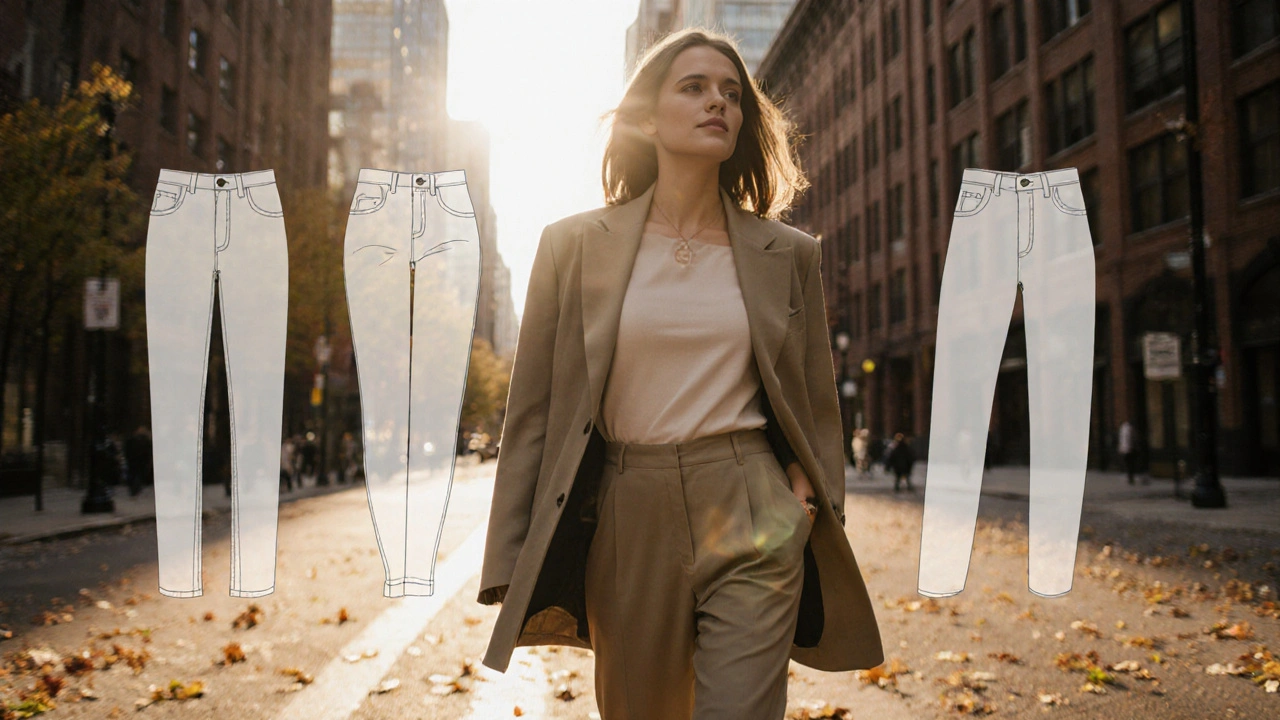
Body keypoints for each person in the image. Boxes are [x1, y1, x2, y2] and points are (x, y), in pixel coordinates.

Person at [475, 28, 883, 719]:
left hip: (751, 502)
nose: (717, 102)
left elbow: (815, 401)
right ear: (646, 118)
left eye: (731, 94)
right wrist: (511, 554)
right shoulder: (572, 245)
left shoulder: (788, 253)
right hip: (627, 507)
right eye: (693, 88)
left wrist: (806, 502)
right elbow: (534, 412)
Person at [1118, 419, 1143, 485]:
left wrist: (1121, 448)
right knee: (1131, 464)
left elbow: (1122, 439)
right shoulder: (1130, 428)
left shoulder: (1123, 428)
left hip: (1125, 449)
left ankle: (1130, 477)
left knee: (1128, 464)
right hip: (1130, 449)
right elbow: (1132, 439)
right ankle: (1131, 477)